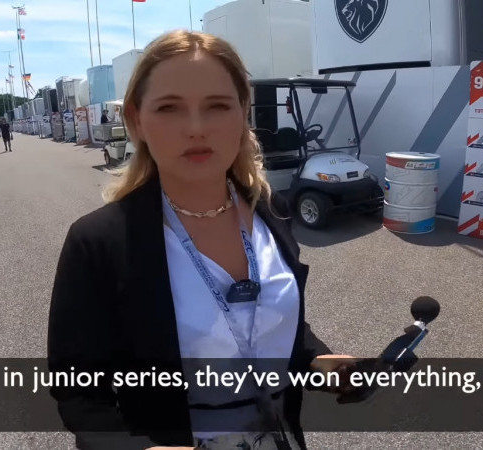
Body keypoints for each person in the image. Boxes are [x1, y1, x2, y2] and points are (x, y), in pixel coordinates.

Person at [48, 30, 356, 450]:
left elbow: (271, 326)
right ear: (136, 120)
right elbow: (78, 390)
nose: (196, 128)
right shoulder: (98, 242)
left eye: (217, 106)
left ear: (243, 113)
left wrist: (323, 363)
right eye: (169, 108)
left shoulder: (271, 210)